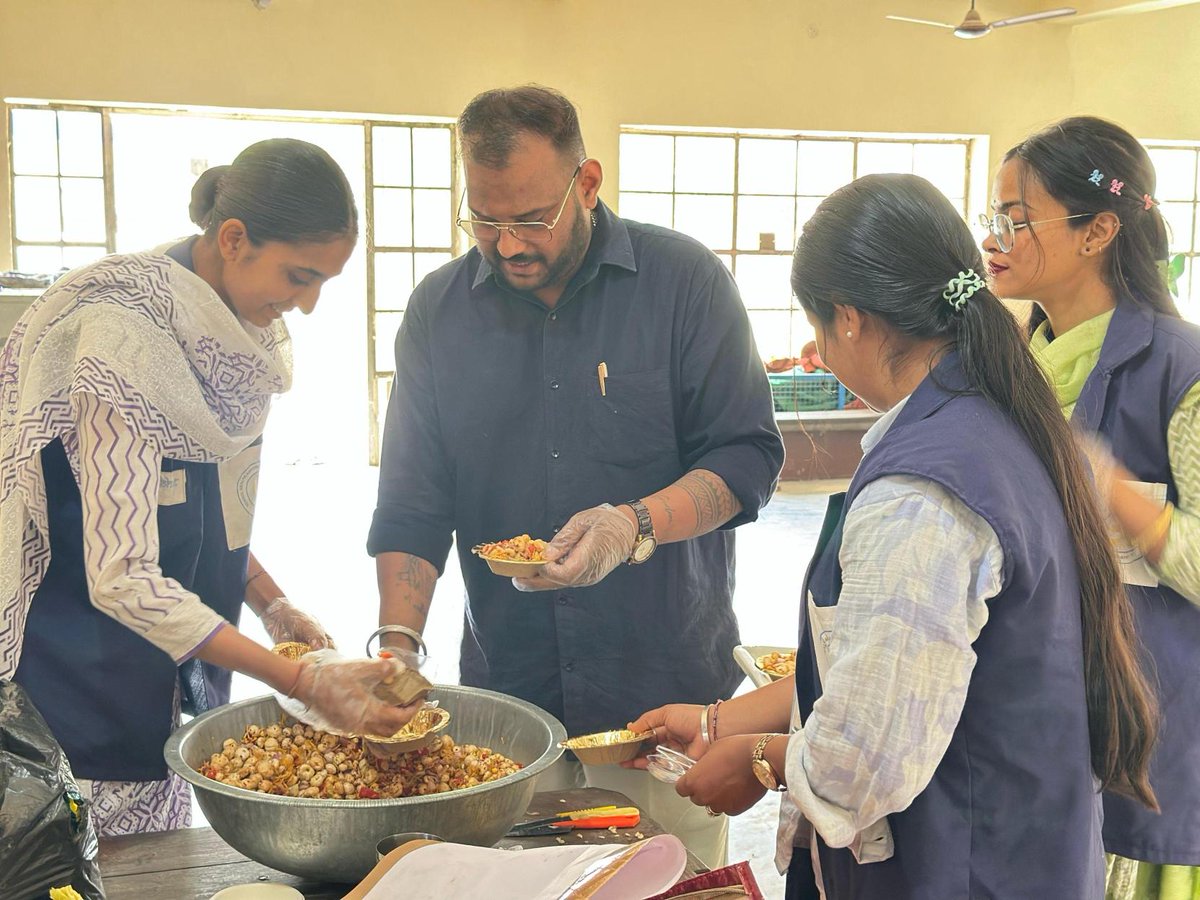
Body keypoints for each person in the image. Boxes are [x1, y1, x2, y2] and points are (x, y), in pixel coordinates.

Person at [628, 173, 1160, 899]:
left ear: (849, 319)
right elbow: (894, 667)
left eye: (816, 326)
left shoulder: (923, 492)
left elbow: (860, 762)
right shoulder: (995, 420)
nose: (817, 348)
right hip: (1024, 849)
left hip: (959, 869)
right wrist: (721, 720)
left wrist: (757, 760)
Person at [367, 85, 784, 867]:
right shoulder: (439, 313)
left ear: (586, 183)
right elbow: (414, 504)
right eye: (484, 221)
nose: (508, 243)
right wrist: (398, 646)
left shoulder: (684, 284)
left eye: (531, 218)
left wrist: (636, 523)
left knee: (669, 881)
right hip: (510, 701)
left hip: (662, 702)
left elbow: (747, 458)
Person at [0, 138, 418, 836]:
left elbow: (190, 495)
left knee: (166, 828)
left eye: (323, 283)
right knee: (103, 862)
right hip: (80, 661)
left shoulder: (224, 338)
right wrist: (303, 682)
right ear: (233, 239)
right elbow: (123, 578)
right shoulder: (122, 344)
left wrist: (272, 603)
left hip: (164, 648)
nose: (307, 306)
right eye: (299, 275)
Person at [984, 116, 1200, 900]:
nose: (996, 235)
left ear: (1099, 229)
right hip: (1037, 706)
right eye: (993, 216)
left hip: (1150, 719)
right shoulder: (1013, 364)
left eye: (1017, 216)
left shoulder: (1182, 368)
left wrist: (1107, 490)